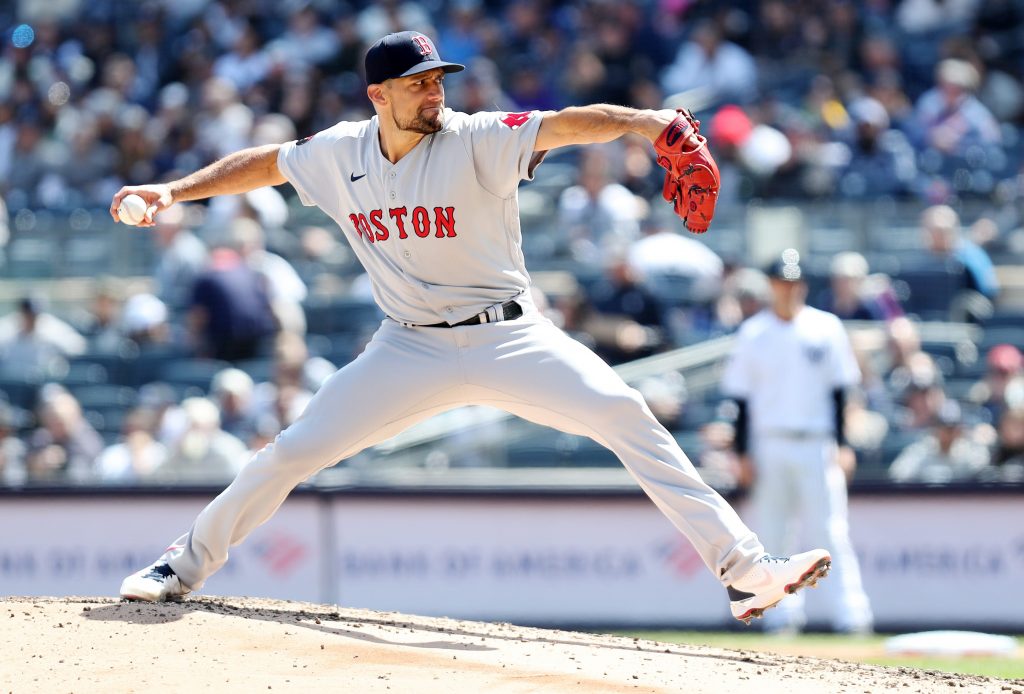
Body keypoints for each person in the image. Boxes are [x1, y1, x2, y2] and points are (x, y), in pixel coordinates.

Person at [112, 31, 830, 624]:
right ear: (379, 96)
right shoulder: (339, 154)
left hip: (508, 335)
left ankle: (744, 572)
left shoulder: (476, 137)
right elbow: (263, 165)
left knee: (624, 413)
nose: (435, 90)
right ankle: (181, 565)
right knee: (292, 452)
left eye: (438, 78)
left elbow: (571, 122)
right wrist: (173, 191)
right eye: (419, 82)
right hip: (407, 344)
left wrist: (646, 124)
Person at [721, 250, 873, 634]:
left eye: (793, 283)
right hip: (768, 441)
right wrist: (741, 452)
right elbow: (740, 398)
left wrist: (843, 443)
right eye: (780, 283)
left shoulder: (826, 327)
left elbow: (840, 391)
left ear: (802, 285)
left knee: (830, 530)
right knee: (773, 533)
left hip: (816, 441)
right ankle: (782, 616)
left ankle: (851, 615)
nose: (787, 290)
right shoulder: (754, 332)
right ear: (771, 286)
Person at [888, 400, 991, 484]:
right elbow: (897, 474)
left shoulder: (968, 450)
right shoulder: (922, 450)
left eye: (952, 428)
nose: (947, 432)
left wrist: (971, 437)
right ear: (936, 428)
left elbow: (983, 468)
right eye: (943, 427)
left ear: (959, 430)